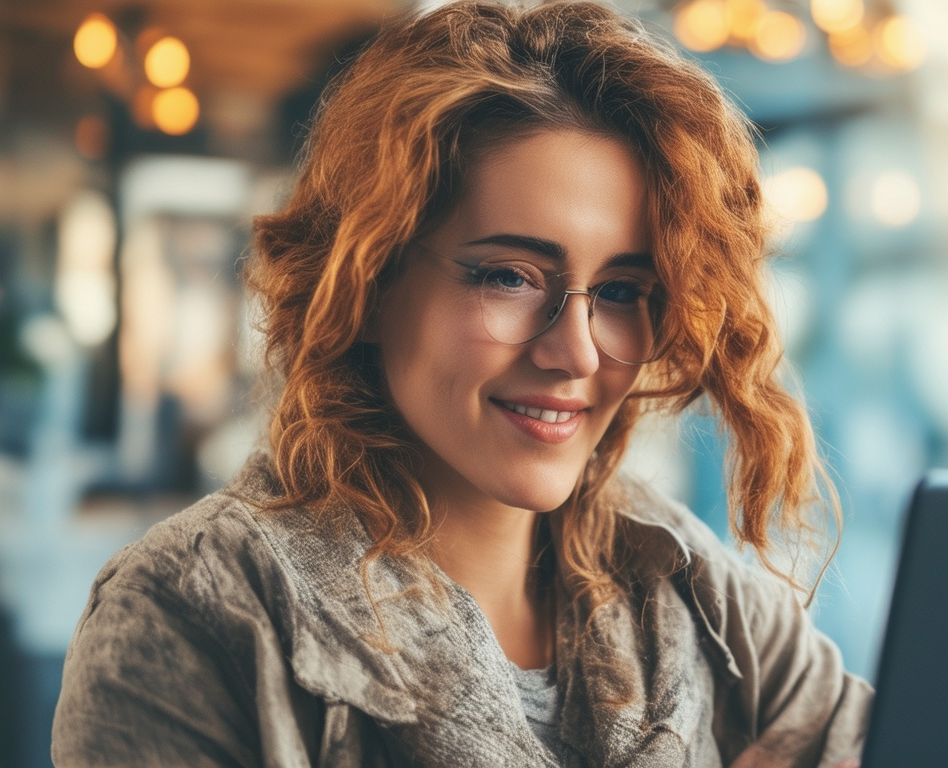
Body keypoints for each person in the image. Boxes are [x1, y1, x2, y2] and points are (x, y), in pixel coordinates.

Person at [51, 2, 873, 765]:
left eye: (623, 291)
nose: (578, 354)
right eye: (511, 277)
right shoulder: (192, 614)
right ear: (365, 284)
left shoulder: (690, 590)